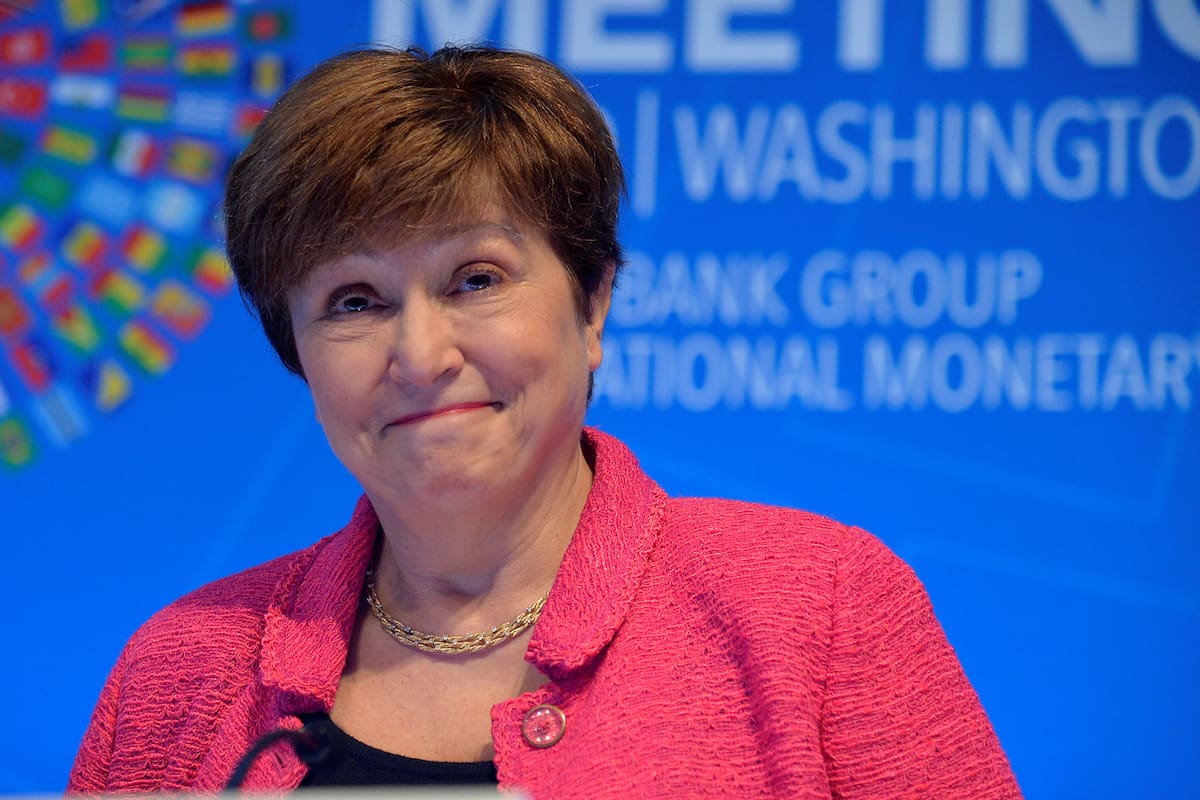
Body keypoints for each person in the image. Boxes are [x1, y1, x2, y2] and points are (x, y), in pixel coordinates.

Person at [68, 45, 1022, 798]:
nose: (421, 354)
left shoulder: (819, 611)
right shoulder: (180, 670)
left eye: (475, 280)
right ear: (298, 352)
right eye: (354, 301)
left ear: (592, 304)